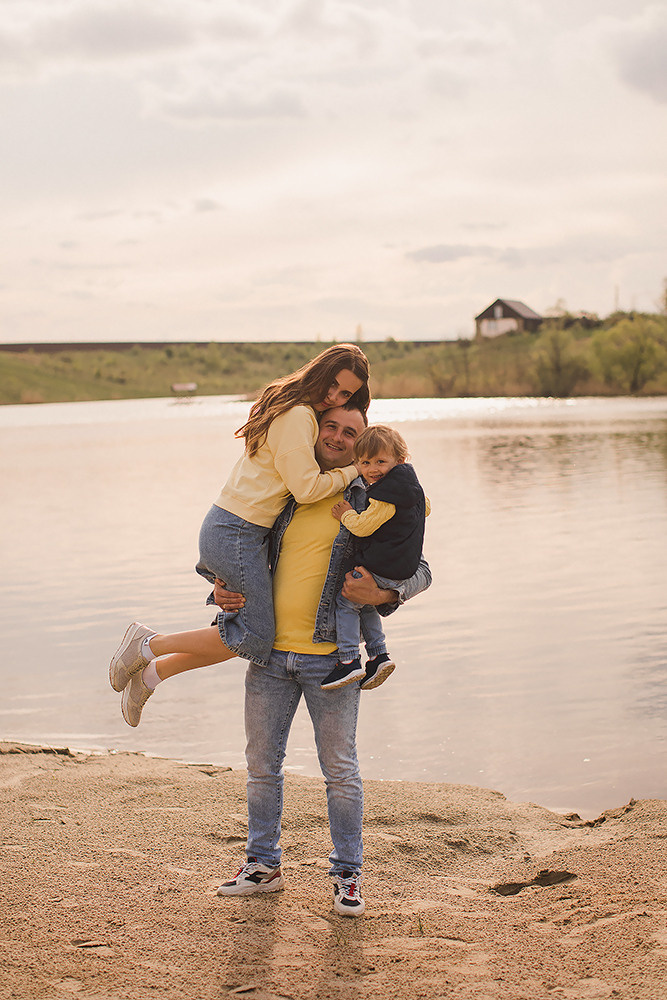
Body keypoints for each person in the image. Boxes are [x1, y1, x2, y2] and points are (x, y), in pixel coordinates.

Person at [214, 404, 432, 917]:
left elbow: (421, 569)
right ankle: (262, 865)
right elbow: (240, 552)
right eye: (329, 427)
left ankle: (347, 875)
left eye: (350, 432)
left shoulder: (374, 495)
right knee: (261, 766)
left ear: (365, 445)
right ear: (315, 433)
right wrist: (220, 590)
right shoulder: (288, 493)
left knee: (340, 771)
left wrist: (385, 594)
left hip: (332, 660)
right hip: (269, 655)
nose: (337, 437)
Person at [109, 344, 370, 727]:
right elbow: (307, 490)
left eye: (345, 393)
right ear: (319, 371)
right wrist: (355, 470)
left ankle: (150, 675)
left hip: (237, 531)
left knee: (249, 637)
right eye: (332, 384)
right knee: (254, 636)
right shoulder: (298, 415)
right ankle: (148, 645)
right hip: (236, 530)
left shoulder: (297, 412)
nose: (333, 396)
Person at [320, 425, 427, 691]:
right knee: (364, 604)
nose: (372, 469)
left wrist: (346, 514)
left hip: (382, 565)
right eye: (365, 462)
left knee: (346, 602)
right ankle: (379, 655)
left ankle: (348, 659)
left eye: (381, 462)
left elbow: (363, 527)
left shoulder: (385, 495)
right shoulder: (411, 487)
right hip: (401, 566)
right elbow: (426, 509)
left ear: (399, 460)